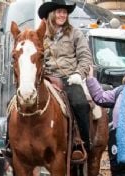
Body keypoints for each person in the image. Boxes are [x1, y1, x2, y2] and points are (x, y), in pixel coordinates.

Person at [38, 0, 92, 161]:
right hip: (45, 77)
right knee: (17, 101)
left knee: (80, 104)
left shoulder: (75, 33)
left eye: (64, 12)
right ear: (51, 14)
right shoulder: (41, 34)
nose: (62, 15)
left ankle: (82, 144)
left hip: (69, 78)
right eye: (59, 11)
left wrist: (78, 74)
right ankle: (12, 143)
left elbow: (85, 57)